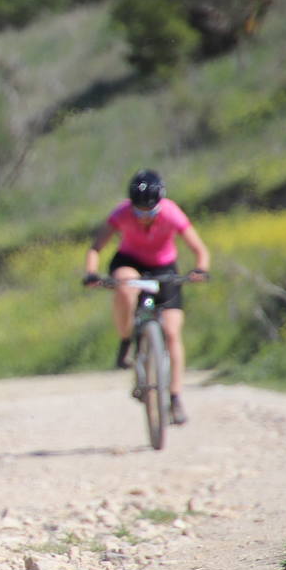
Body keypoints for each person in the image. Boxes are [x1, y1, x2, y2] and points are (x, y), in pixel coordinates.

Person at [83, 170, 210, 425]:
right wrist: (91, 272)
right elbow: (96, 247)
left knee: (173, 333)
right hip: (131, 262)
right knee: (125, 286)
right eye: (138, 212)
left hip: (164, 268)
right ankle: (126, 340)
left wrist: (201, 269)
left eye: (149, 212)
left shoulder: (171, 213)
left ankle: (175, 397)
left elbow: (199, 249)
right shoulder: (121, 214)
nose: (143, 217)